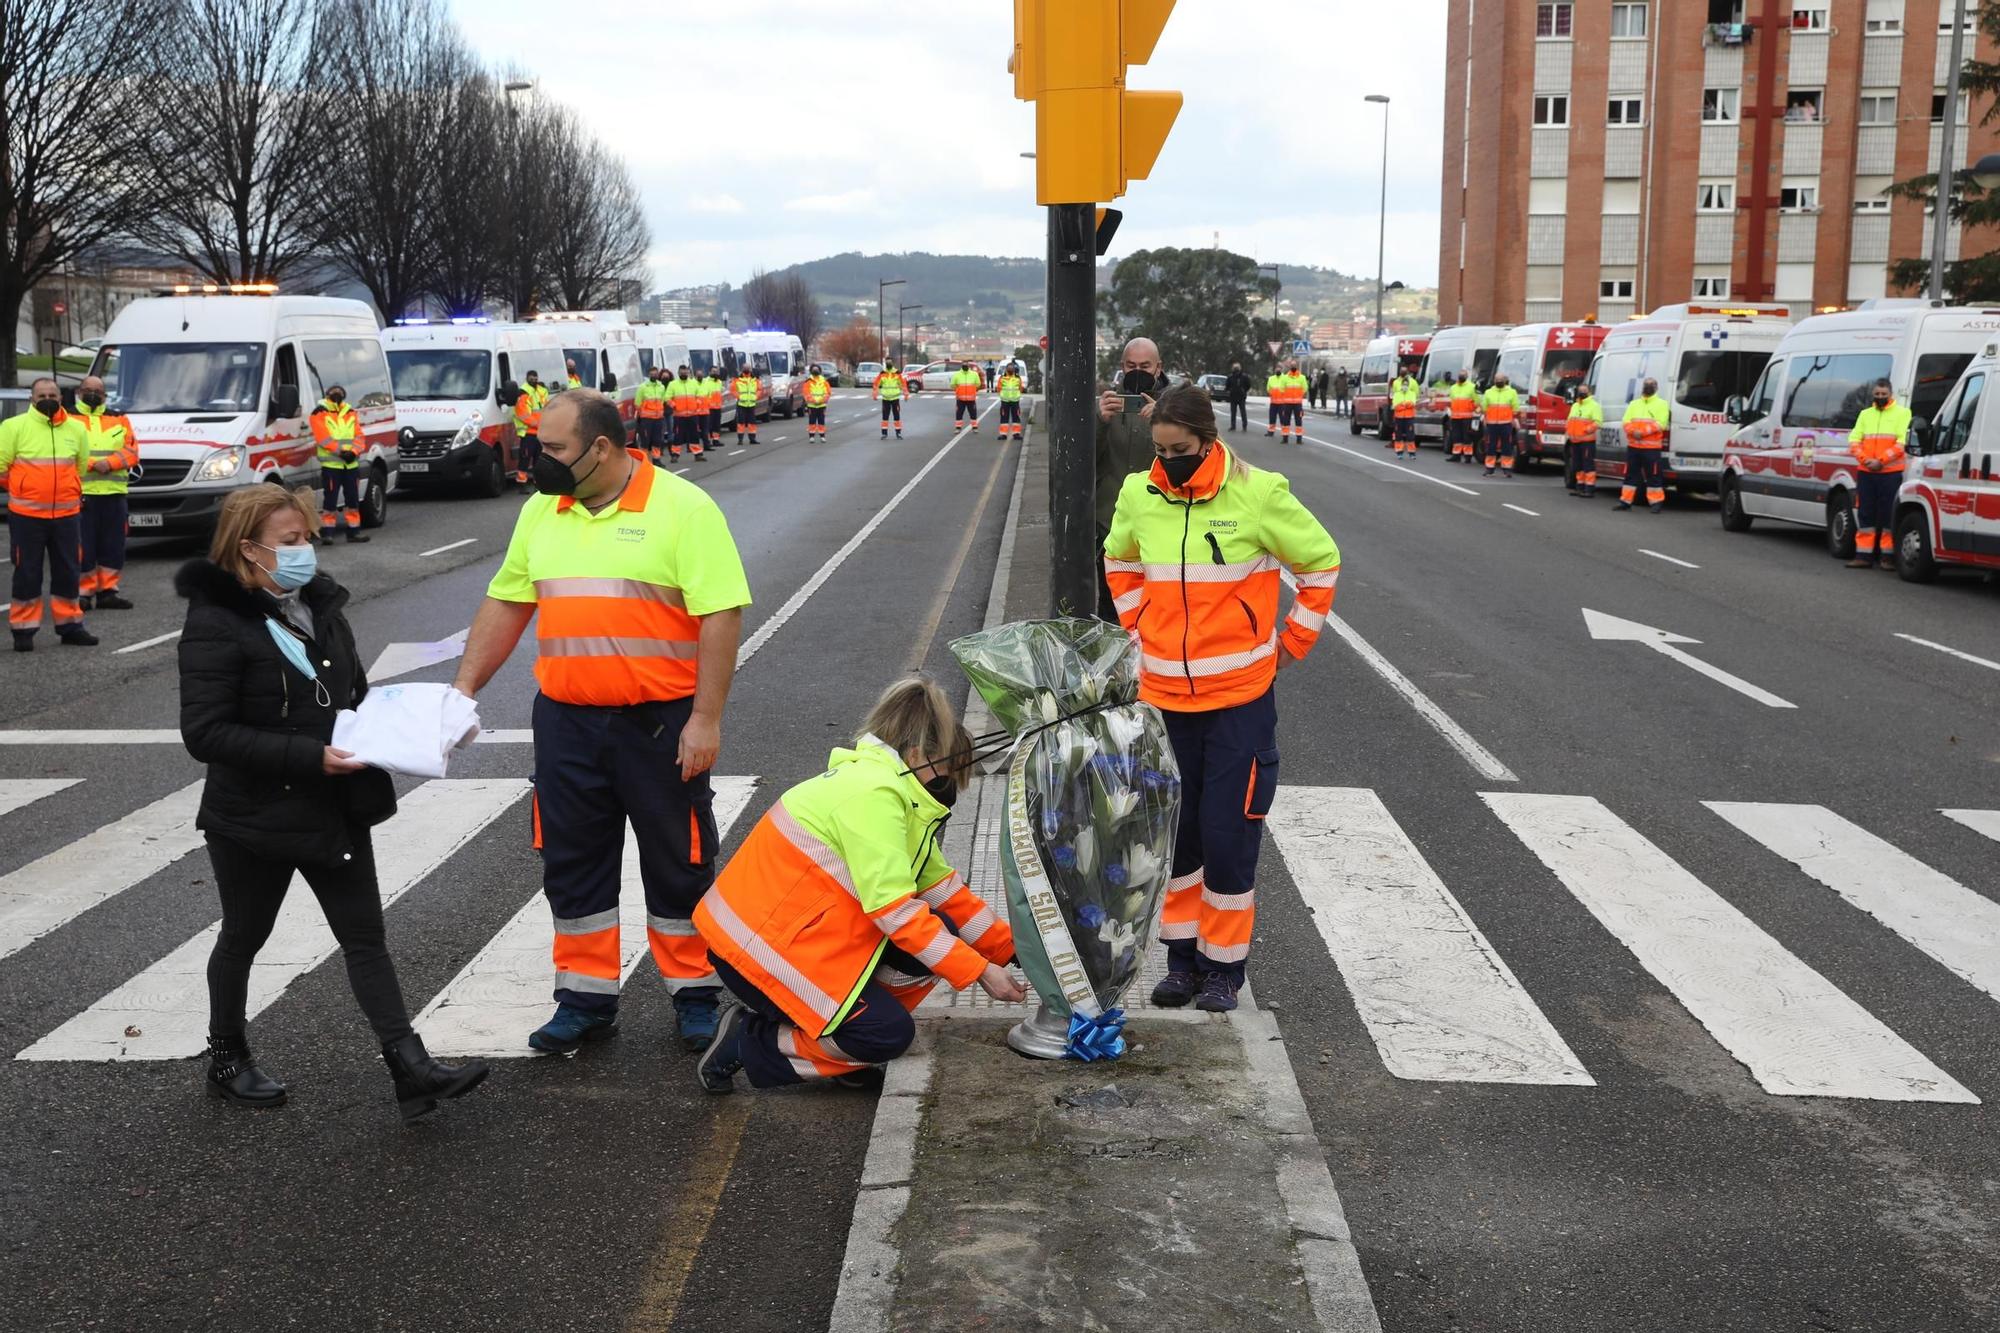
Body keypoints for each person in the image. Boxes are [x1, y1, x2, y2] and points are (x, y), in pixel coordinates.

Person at [452, 390, 751, 1054]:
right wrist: (462, 690)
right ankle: (584, 999)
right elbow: (508, 601)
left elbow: (721, 615)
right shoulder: (541, 512)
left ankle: (695, 993)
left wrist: (705, 719)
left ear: (602, 448)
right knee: (572, 859)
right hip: (566, 721)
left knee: (678, 858)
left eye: (553, 448)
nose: (539, 458)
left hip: (660, 722)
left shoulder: (682, 508)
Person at [177, 484, 487, 1120]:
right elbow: (204, 733)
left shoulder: (320, 608)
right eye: (290, 542)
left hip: (331, 806)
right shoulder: (216, 622)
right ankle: (227, 1056)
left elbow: (354, 696)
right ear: (249, 550)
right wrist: (308, 755)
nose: (305, 552)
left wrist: (419, 729)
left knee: (365, 937)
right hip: (253, 817)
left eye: (307, 538)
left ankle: (410, 1067)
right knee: (244, 936)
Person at [1102, 386, 1339, 1013]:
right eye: (1158, 450)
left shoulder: (1259, 494)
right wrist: (1137, 630)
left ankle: (1223, 970)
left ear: (1207, 440)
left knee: (1228, 837)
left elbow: (1320, 564)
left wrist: (1293, 641)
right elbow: (1119, 561)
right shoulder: (1139, 492)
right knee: (1178, 842)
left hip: (1238, 699)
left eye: (1178, 450)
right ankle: (1180, 964)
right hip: (1165, 701)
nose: (1166, 461)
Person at [692, 678, 1025, 1093]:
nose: (949, 783)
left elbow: (945, 892)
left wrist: (1015, 952)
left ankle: (841, 1039)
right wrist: (980, 971)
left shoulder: (892, 790)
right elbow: (896, 913)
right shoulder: (874, 798)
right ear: (919, 754)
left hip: (797, 940)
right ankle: (751, 1041)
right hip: (757, 952)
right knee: (885, 1037)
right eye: (946, 770)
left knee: (944, 934)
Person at [1, 378, 96, 650]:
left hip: (67, 515)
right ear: (31, 398)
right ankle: (23, 632)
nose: (47, 399)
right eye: (41, 394)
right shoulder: (13, 427)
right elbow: (0, 465)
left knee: (68, 570)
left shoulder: (76, 429)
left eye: (52, 394)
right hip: (26, 516)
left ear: (61, 397)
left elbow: (79, 466)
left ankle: (70, 626)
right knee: (27, 573)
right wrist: (26, 487)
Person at [1094, 337, 1164, 618]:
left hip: (1158, 525)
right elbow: (1085, 460)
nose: (1138, 372)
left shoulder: (1175, 406)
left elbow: (1191, 457)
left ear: (1158, 369)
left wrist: (1161, 424)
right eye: (1131, 365)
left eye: (1145, 366)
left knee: (1155, 605)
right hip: (1109, 524)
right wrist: (1100, 422)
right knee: (1111, 604)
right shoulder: (1106, 403)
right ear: (1122, 367)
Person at [72, 374, 138, 612]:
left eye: (98, 391)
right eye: (88, 390)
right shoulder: (67, 418)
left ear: (104, 395)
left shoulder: (119, 418)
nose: (93, 394)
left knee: (113, 545)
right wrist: (91, 464)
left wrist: (109, 463)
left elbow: (132, 451)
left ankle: (108, 592)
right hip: (83, 494)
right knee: (84, 546)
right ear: (79, 392)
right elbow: (65, 450)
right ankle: (83, 593)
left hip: (113, 493)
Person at [1846, 377, 1911, 569]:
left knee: (1888, 514)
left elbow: (1901, 443)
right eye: (1877, 394)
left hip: (1890, 472)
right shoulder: (1865, 414)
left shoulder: (1903, 413)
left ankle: (1887, 557)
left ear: (1891, 394)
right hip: (1867, 471)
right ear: (1872, 395)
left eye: (1884, 394)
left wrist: (1880, 461)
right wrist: (1866, 461)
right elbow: (1854, 440)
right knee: (1866, 514)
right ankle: (1863, 556)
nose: (1880, 397)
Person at [310, 385, 369, 544]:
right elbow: (323, 438)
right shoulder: (319, 412)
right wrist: (342, 452)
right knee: (330, 501)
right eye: (334, 393)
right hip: (332, 465)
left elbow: (359, 436)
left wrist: (354, 453)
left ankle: (354, 532)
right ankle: (328, 533)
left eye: (340, 393)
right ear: (327, 395)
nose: (337, 395)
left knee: (353, 500)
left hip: (350, 465)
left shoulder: (350, 412)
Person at [1617, 377, 1671, 512]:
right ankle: (1625, 501)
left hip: (1651, 448)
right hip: (1634, 446)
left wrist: (1642, 432)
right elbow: (1625, 421)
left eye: (1651, 384)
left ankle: (1656, 503)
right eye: (1646, 384)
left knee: (1653, 475)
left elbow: (1661, 423)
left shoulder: (1662, 404)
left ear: (1656, 387)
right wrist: (1633, 431)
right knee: (1630, 474)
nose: (1648, 387)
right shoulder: (1634, 404)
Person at [1565, 382, 1604, 498]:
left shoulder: (1594, 406)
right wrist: (1568, 430)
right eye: (1580, 391)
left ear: (1589, 392)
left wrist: (1586, 430)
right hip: (1575, 441)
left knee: (1588, 465)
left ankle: (1589, 489)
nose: (1582, 393)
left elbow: (1598, 422)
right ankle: (1580, 487)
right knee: (1578, 465)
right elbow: (1570, 420)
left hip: (1587, 441)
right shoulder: (1575, 406)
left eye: (1584, 391)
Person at [1481, 372, 1521, 477]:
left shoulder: (1512, 392)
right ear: (1494, 381)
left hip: (1506, 423)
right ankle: (1489, 468)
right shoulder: (1488, 392)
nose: (1499, 382)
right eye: (1497, 380)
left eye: (1501, 380)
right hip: (1491, 424)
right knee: (1491, 446)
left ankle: (1507, 469)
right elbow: (1484, 407)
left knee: (1506, 446)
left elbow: (1516, 407)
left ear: (1505, 381)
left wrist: (1514, 420)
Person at [512, 370, 547, 488]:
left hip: (539, 433)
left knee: (538, 460)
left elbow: (546, 408)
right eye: (532, 378)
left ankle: (538, 484)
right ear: (527, 378)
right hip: (528, 433)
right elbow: (523, 414)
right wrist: (538, 424)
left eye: (535, 378)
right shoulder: (523, 393)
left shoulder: (540, 391)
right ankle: (522, 483)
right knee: (525, 459)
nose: (534, 380)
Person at [635, 366, 669, 461]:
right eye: (652, 374)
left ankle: (656, 459)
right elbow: (637, 403)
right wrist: (642, 415)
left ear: (658, 375)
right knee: (645, 441)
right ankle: (644, 460)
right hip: (646, 419)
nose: (654, 376)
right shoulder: (643, 387)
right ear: (649, 375)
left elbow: (662, 401)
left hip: (658, 419)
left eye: (655, 374)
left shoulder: (661, 387)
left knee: (657, 440)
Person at [1445, 370, 1480, 463]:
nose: (1461, 376)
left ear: (1467, 376)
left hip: (1467, 417)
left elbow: (1477, 401)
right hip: (1455, 417)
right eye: (1460, 375)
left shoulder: (1472, 387)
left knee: (1467, 437)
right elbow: (1451, 401)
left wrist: (1476, 414)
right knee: (1456, 437)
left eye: (1463, 375)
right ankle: (1456, 455)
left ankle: (1467, 456)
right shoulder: (1453, 388)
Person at [1389, 365, 1422, 459]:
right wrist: (1405, 405)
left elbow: (1414, 401)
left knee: (1410, 435)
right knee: (1398, 435)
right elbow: (1395, 403)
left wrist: (1403, 405)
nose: (1404, 386)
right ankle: (1399, 451)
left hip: (1409, 416)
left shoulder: (1413, 386)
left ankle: (1412, 452)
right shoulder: (1396, 385)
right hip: (1399, 416)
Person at [802, 363, 833, 441]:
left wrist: (821, 400)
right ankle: (811, 436)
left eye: (817, 369)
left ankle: (822, 436)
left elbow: (828, 392)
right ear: (811, 371)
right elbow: (806, 393)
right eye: (814, 369)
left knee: (821, 421)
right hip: (812, 405)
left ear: (820, 371)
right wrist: (813, 401)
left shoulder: (824, 381)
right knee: (812, 421)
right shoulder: (808, 382)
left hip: (821, 405)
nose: (815, 371)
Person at [873, 362, 905, 439]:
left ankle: (898, 433)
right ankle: (884, 433)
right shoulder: (882, 373)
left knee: (896, 416)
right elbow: (876, 383)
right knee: (885, 416)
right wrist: (875, 392)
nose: (889, 363)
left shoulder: (897, 373)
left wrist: (905, 392)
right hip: (886, 398)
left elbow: (902, 383)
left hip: (895, 398)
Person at [951, 359, 983, 433]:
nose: (965, 366)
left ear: (969, 365)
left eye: (966, 364)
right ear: (961, 366)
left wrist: (972, 390)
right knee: (959, 413)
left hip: (971, 398)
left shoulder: (974, 374)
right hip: (960, 398)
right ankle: (958, 427)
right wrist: (959, 390)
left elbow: (978, 384)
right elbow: (952, 385)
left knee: (973, 413)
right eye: (964, 365)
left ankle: (975, 427)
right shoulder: (956, 374)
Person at [995, 361, 1024, 440]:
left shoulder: (1018, 378)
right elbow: (998, 388)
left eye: (1012, 368)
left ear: (1014, 369)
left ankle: (1016, 434)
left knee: (1016, 417)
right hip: (1005, 401)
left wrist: (1017, 395)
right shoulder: (1002, 377)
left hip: (1015, 401)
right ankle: (1003, 434)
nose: (1010, 369)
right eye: (1009, 368)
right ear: (1006, 369)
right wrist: (1003, 395)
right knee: (1004, 417)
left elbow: (1020, 388)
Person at [732, 365, 761, 445]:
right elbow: (733, 390)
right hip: (741, 404)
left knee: (752, 422)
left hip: (751, 403)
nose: (747, 370)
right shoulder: (737, 379)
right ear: (742, 369)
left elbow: (759, 389)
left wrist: (756, 397)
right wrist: (739, 397)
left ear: (751, 369)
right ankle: (740, 439)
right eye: (745, 368)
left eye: (748, 368)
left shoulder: (755, 380)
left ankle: (752, 439)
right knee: (741, 422)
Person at [701, 366, 725, 452]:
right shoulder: (705, 381)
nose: (715, 373)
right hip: (709, 407)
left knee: (716, 425)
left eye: (716, 372)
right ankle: (708, 441)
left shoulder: (719, 382)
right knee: (708, 426)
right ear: (709, 372)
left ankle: (716, 440)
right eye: (713, 371)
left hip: (718, 407)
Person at [1225, 362, 1252, 432]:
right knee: (1233, 412)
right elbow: (1227, 386)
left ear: (1240, 368)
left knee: (1243, 412)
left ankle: (1244, 426)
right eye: (1235, 367)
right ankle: (1233, 426)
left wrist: (1244, 390)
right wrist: (1229, 390)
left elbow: (1248, 385)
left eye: (1237, 367)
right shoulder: (1230, 377)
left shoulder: (1244, 376)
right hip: (1233, 397)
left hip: (1241, 397)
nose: (1236, 369)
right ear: (1232, 368)